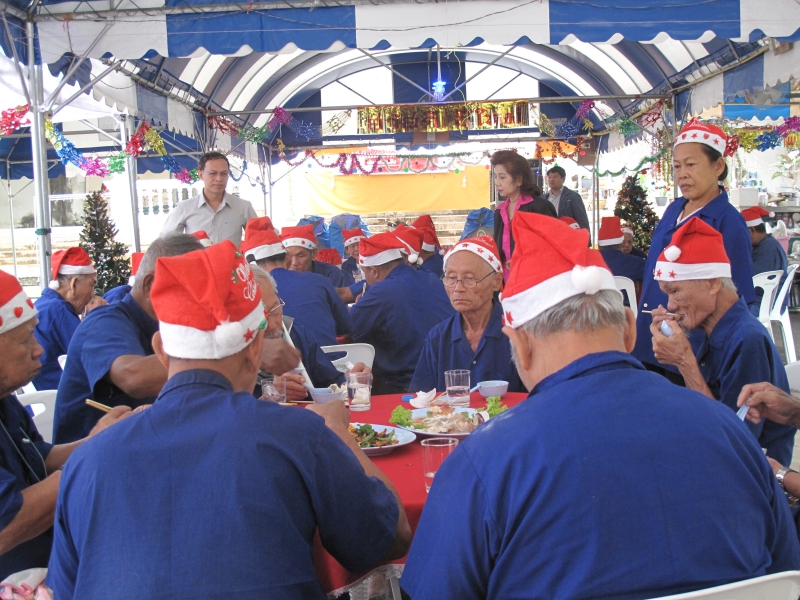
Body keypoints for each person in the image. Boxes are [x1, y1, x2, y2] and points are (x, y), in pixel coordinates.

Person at [400, 212, 800, 600]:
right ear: (629, 330)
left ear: (519, 346)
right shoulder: (731, 435)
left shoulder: (483, 462)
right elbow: (786, 573)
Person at [47, 241, 412, 598]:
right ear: (257, 348)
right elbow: (389, 539)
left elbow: (64, 588)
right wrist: (337, 431)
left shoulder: (87, 461)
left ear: (160, 350)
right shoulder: (300, 436)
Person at [0, 270, 134, 579]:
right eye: (24, 339)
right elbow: (8, 524)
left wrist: (97, 438)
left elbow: (39, 457)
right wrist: (92, 455)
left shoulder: (5, 398)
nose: (39, 349)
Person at [648, 217, 795, 464]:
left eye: (675, 291)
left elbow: (733, 441)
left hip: (756, 474)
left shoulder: (746, 339)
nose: (670, 305)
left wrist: (684, 362)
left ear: (712, 283)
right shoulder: (713, 327)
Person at [52, 234, 204, 444]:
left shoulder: (170, 327)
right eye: (196, 291)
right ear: (150, 284)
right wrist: (222, 348)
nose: (205, 302)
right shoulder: (104, 322)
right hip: (94, 458)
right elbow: (133, 377)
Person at [633, 118, 756, 375]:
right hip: (650, 338)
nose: (682, 174)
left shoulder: (728, 222)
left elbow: (739, 295)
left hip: (693, 349)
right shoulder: (673, 209)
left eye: (691, 164)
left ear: (717, 166)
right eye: (677, 166)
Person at [409, 236, 523, 394]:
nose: (458, 288)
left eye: (469, 278)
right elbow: (421, 397)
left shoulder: (518, 333)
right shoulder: (438, 338)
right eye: (451, 278)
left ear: (496, 281)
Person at [350, 232, 454, 394]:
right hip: (443, 376)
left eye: (365, 272)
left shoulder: (381, 292)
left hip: (404, 385)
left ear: (374, 271)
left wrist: (360, 306)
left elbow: (346, 327)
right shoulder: (432, 278)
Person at [251, 266, 370, 402]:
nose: (272, 325)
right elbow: (232, 411)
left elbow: (330, 382)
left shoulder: (296, 334)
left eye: (275, 310)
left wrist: (351, 381)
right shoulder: (232, 357)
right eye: (258, 319)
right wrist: (269, 397)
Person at [243, 218, 352, 346]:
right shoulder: (321, 281)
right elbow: (346, 327)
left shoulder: (251, 295)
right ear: (288, 258)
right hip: (332, 357)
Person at [32, 248, 105, 391]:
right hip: (58, 391)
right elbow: (92, 355)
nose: (92, 294)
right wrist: (97, 317)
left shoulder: (44, 304)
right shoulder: (58, 310)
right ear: (74, 284)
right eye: (91, 285)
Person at [160, 152, 257, 246]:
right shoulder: (184, 208)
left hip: (232, 258)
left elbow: (259, 240)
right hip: (197, 258)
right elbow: (164, 244)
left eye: (224, 173)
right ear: (201, 175)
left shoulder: (243, 207)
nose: (219, 179)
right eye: (212, 173)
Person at [490, 150, 557, 281]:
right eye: (495, 177)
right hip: (507, 284)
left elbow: (553, 247)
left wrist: (525, 260)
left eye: (502, 177)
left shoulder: (540, 207)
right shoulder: (499, 211)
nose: (497, 182)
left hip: (535, 282)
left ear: (519, 180)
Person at [744, 206, 789, 315]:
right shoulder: (767, 243)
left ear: (751, 230)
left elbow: (750, 281)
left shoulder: (766, 249)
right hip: (766, 301)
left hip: (763, 304)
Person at [282, 225, 355, 288]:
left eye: (300, 256)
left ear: (313, 254)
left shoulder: (332, 275)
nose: (294, 263)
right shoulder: (279, 277)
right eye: (288, 256)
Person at [597, 216, 645, 307]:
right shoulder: (635, 263)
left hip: (595, 312)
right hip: (625, 312)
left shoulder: (586, 263)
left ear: (599, 244)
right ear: (621, 243)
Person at [545, 165, 590, 232]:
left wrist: (585, 236)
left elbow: (582, 219)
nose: (551, 179)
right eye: (549, 177)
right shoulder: (544, 198)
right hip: (549, 233)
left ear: (563, 179)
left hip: (567, 233)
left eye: (555, 177)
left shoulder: (573, 197)